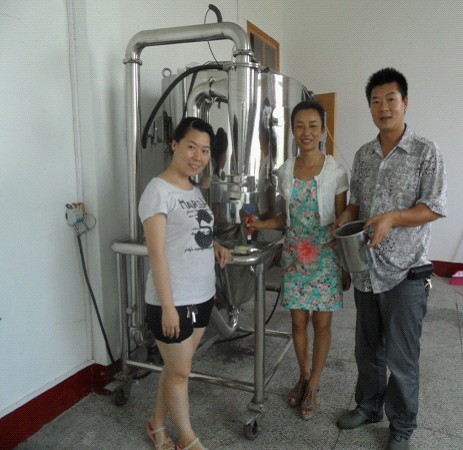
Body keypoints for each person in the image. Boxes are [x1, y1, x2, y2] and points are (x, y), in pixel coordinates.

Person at [333, 68, 447, 450]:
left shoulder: (425, 152)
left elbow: (433, 207)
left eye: (390, 100)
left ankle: (401, 426)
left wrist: (393, 218)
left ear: (405, 103)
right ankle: (368, 406)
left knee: (402, 357)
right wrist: (346, 216)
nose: (383, 108)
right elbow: (356, 204)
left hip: (405, 272)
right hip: (366, 270)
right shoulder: (364, 155)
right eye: (376, 101)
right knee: (367, 350)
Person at [250, 100, 350, 420]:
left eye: (313, 126)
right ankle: (304, 376)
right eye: (300, 126)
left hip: (325, 256)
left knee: (322, 323)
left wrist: (345, 265)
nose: (306, 132)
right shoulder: (285, 171)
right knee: (297, 322)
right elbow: (284, 218)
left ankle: (315, 384)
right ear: (293, 131)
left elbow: (342, 221)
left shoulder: (336, 171)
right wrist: (261, 224)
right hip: (295, 256)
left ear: (322, 130)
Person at [139, 116, 232, 450]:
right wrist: (167, 307)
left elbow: (190, 232)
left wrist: (215, 244)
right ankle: (188, 439)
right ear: (175, 144)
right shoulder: (158, 191)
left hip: (201, 295)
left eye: (205, 150)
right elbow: (157, 253)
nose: (198, 156)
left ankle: (156, 424)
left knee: (176, 368)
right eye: (192, 146)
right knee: (180, 372)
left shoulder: (193, 190)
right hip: (172, 300)